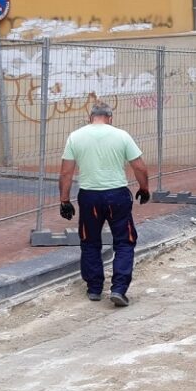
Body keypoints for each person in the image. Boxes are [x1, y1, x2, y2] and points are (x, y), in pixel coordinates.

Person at [58, 101, 151, 307]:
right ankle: (118, 288)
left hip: (89, 196)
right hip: (117, 195)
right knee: (124, 241)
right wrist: (144, 189)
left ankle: (94, 288)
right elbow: (140, 167)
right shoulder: (122, 136)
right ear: (110, 117)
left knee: (90, 241)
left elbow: (66, 172)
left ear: (90, 116)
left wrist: (64, 200)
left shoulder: (75, 137)